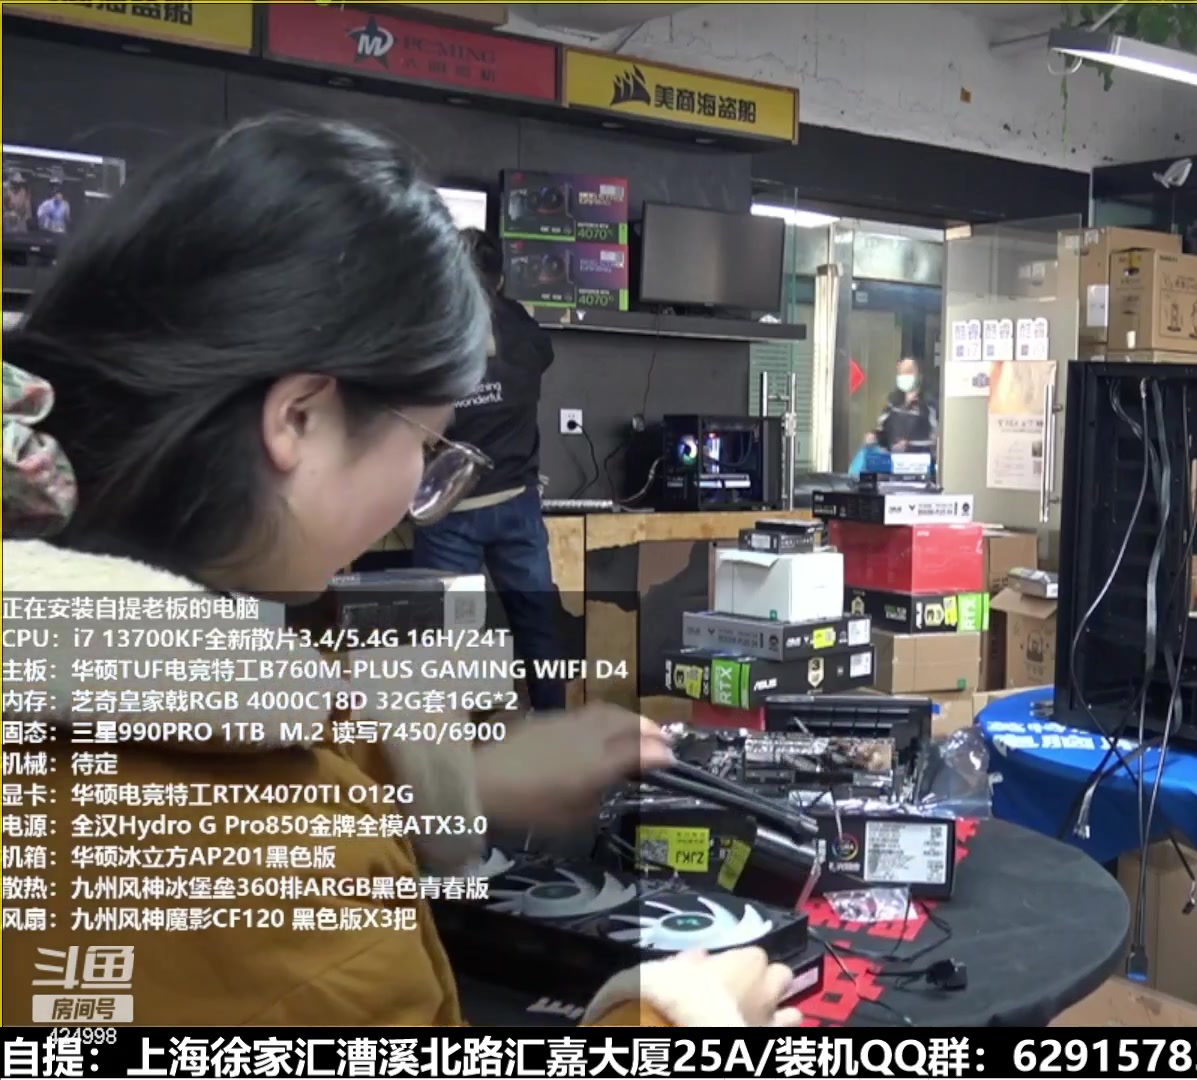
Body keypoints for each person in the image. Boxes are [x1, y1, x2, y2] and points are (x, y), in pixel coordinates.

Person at [0, 114, 797, 1028]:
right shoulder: (273, 888)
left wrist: (469, 777)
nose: (424, 486)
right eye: (431, 442)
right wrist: (674, 1029)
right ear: (299, 418)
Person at [410, 228, 566, 713]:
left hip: (451, 507)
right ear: (499, 280)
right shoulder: (521, 325)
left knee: (449, 638)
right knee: (538, 624)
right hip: (517, 502)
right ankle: (554, 727)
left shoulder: (433, 328)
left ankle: (453, 744)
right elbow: (543, 357)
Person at [870, 356, 937, 452]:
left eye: (909, 371)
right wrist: (874, 437)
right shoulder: (892, 403)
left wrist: (910, 444)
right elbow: (882, 432)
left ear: (919, 375)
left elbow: (937, 438)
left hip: (920, 458)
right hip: (893, 459)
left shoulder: (929, 405)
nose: (904, 375)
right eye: (901, 372)